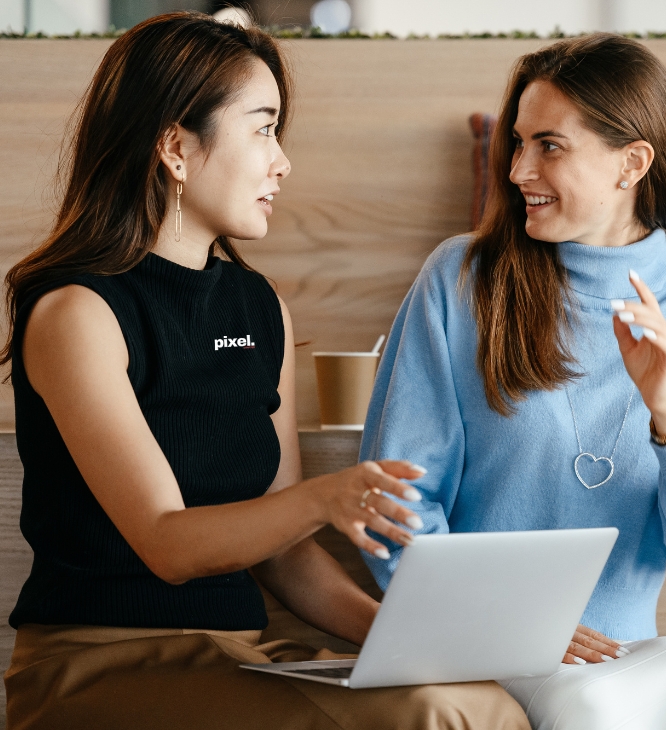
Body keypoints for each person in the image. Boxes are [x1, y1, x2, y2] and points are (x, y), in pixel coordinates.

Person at [1, 13, 530, 730]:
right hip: (96, 663)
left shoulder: (258, 306)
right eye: (262, 127)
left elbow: (286, 559)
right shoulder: (78, 313)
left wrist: (422, 647)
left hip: (236, 653)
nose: (281, 161)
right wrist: (324, 497)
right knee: (435, 717)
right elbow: (167, 543)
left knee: (482, 702)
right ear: (176, 148)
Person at [360, 34, 666, 730]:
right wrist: (507, 628)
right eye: (517, 142)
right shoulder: (462, 279)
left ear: (632, 163)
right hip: (481, 646)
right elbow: (394, 507)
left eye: (549, 145)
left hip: (622, 649)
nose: (519, 167)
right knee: (594, 703)